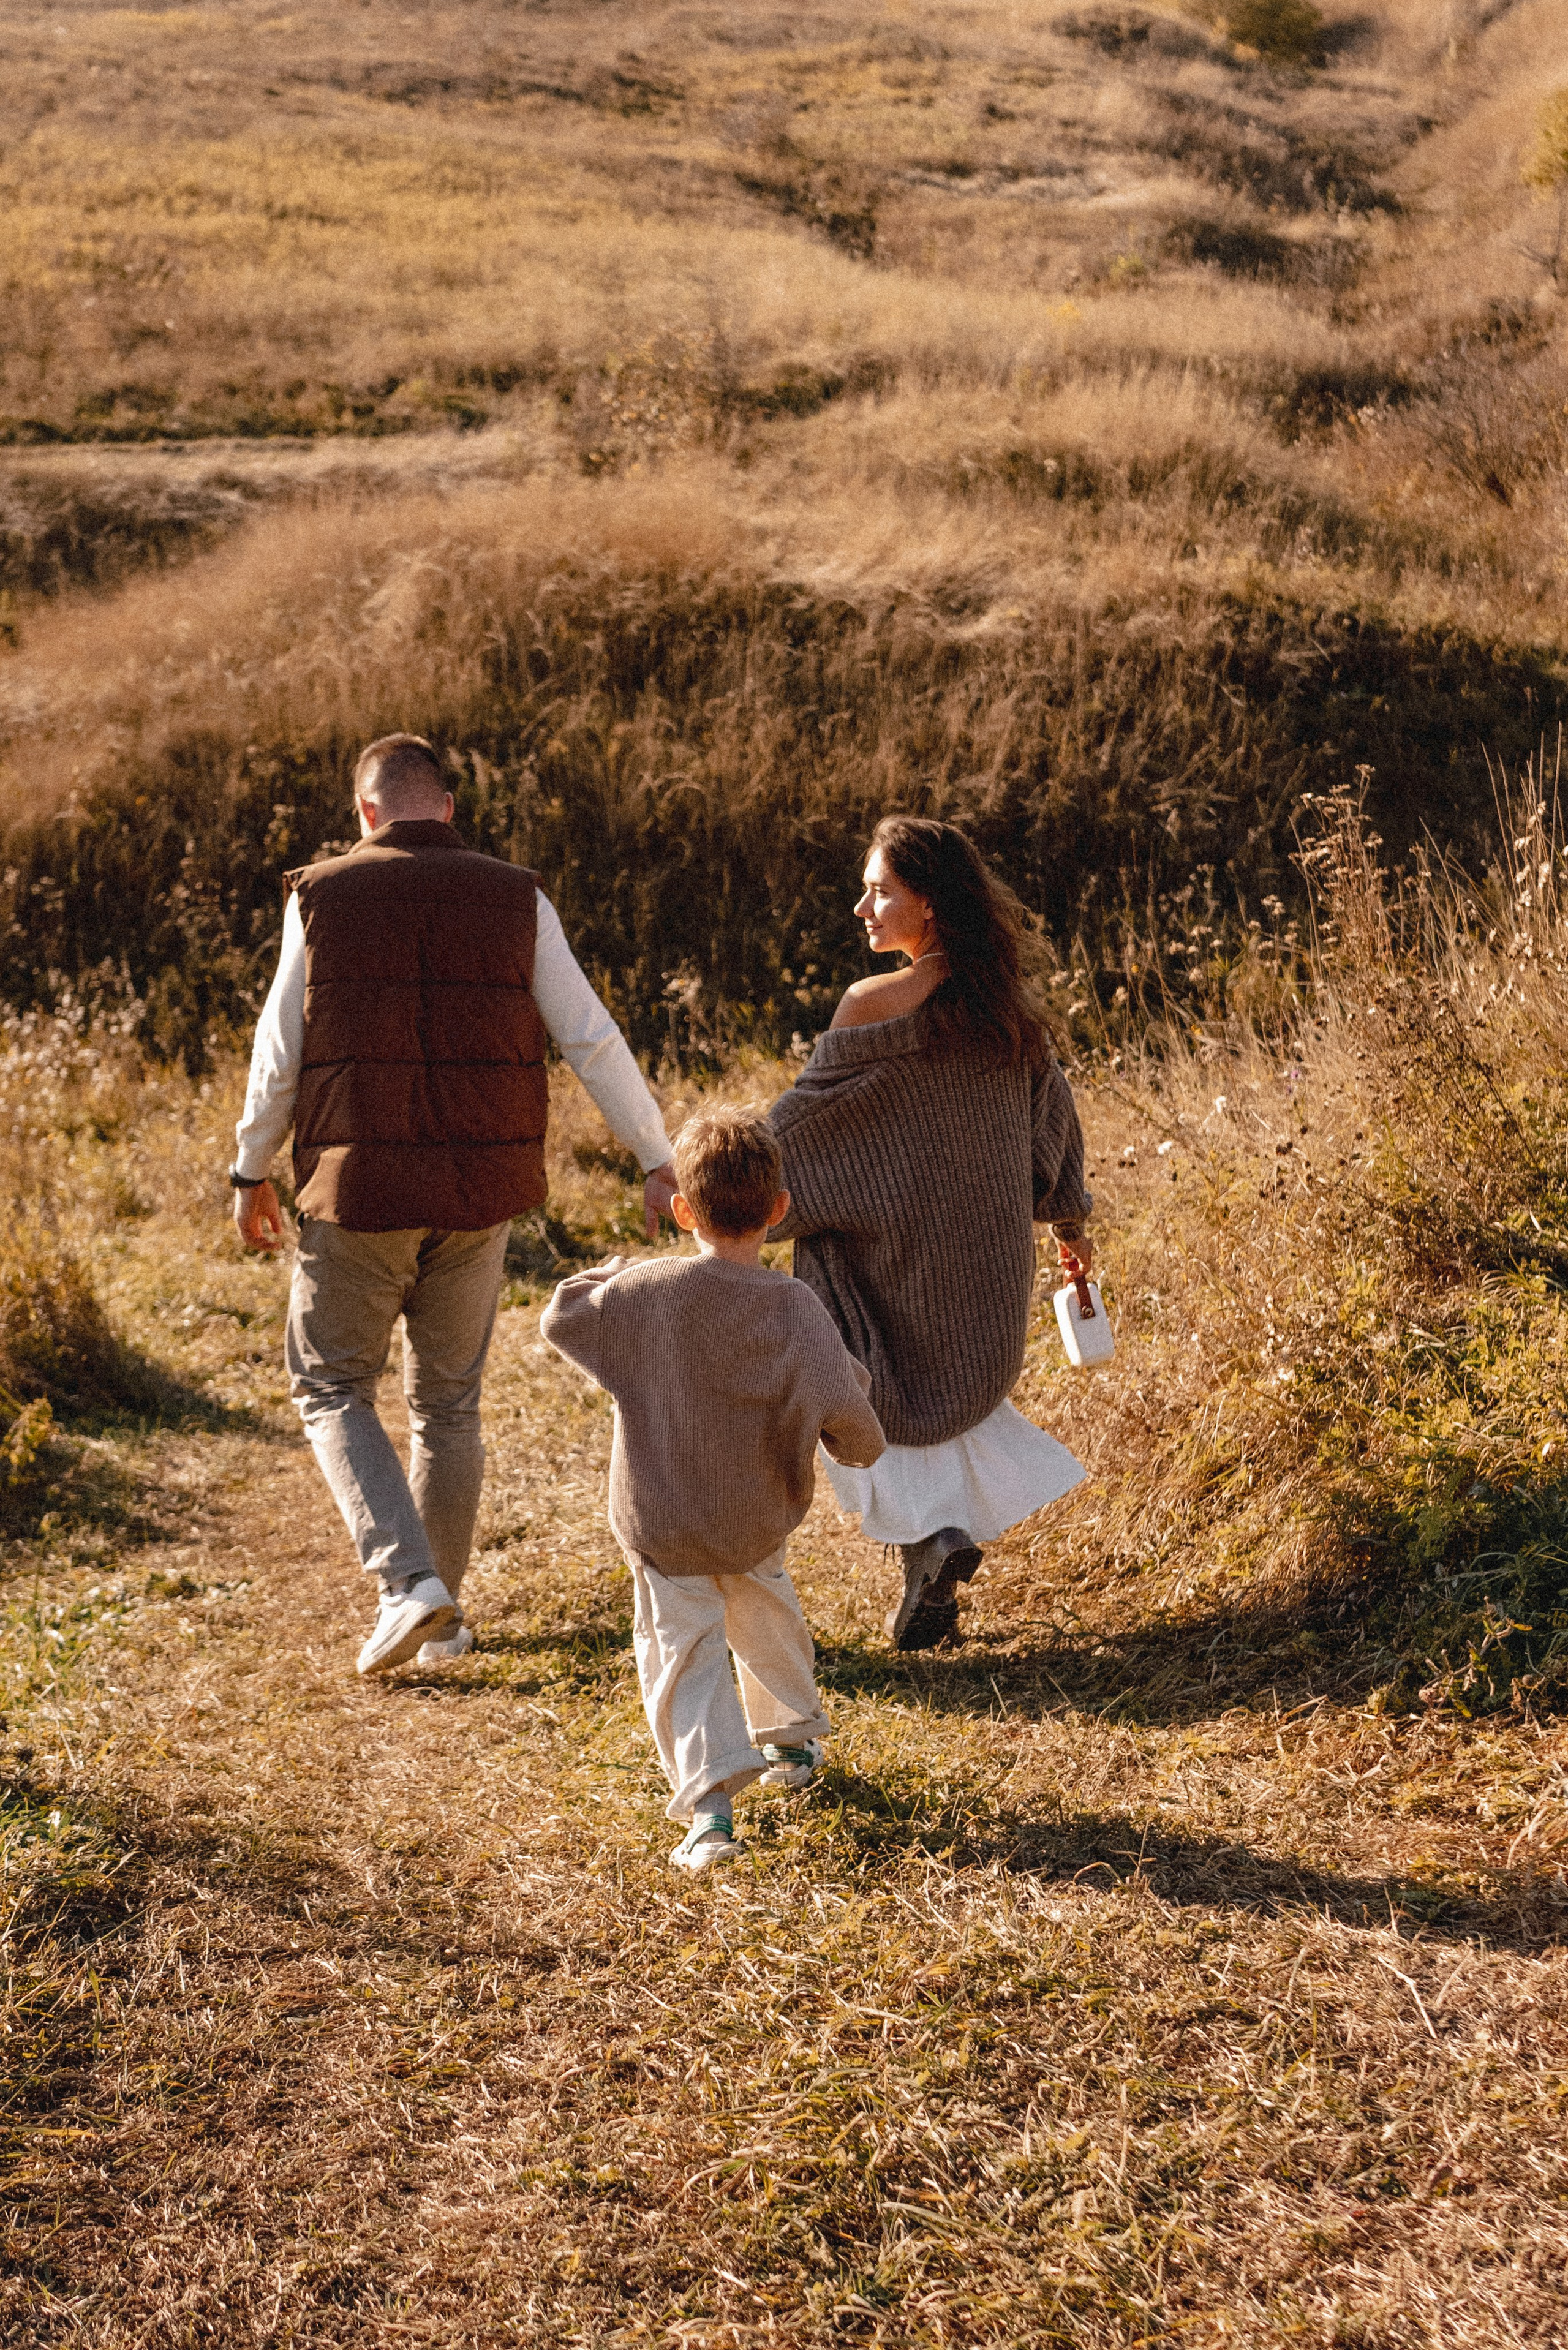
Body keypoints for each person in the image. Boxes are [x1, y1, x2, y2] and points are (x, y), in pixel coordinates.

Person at [230, 732, 679, 1676]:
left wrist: (249, 1170)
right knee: (449, 1406)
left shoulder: (321, 894)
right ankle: (446, 1625)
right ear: (447, 809)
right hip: (481, 1194)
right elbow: (591, 1036)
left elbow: (281, 1055)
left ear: (364, 814)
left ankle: (409, 1587)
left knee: (331, 1385)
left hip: (359, 1192)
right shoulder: (518, 895)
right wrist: (655, 1156)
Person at [769, 815, 1093, 1653]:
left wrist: (718, 1182)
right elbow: (1051, 1116)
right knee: (946, 1398)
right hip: (984, 1263)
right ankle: (934, 1546)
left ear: (933, 908)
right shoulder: (1005, 1009)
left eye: (881, 891)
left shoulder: (870, 1005)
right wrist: (1068, 1215)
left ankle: (928, 1542)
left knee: (859, 1365)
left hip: (891, 1252)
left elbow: (802, 1133)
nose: (861, 907)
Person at [540, 1106, 884, 1872]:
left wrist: (622, 1272)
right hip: (756, 1517)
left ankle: (710, 1815)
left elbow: (562, 1315)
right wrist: (860, 1445)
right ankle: (792, 1740)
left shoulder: (643, 1296)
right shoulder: (796, 1309)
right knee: (768, 1616)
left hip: (662, 1524)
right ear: (779, 1210)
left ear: (682, 1210)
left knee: (681, 1656)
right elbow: (849, 1412)